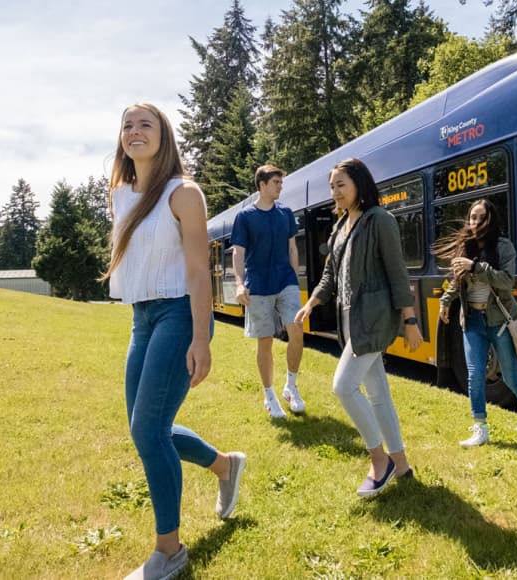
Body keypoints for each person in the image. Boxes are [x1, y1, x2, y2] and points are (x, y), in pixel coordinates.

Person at [103, 103, 246, 580]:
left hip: (177, 315)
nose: (134, 131)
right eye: (127, 125)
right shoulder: (120, 194)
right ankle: (225, 465)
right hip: (141, 318)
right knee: (146, 429)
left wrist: (202, 338)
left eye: (146, 124)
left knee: (148, 431)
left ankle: (169, 550)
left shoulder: (183, 194)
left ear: (164, 137)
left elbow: (197, 270)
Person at [294, 158, 422, 497]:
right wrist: (312, 303)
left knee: (343, 387)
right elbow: (329, 276)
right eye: (332, 186)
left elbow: (398, 274)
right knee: (378, 395)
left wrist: (409, 321)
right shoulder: (339, 227)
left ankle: (379, 460)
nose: (334, 192)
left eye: (341, 185)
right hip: (349, 320)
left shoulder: (380, 220)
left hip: (374, 320)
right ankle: (403, 465)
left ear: (359, 186)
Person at [435, 199, 517, 447]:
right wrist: (445, 301)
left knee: (510, 377)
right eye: (472, 217)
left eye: (480, 217)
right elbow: (456, 281)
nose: (474, 222)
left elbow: (506, 281)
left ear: (491, 219)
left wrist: (476, 266)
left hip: (499, 321)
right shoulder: (466, 246)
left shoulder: (504, 247)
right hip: (472, 321)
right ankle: (480, 427)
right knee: (475, 375)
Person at [231, 165, 306, 419]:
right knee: (266, 341)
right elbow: (238, 253)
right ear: (262, 185)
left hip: (285, 281)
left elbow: (292, 248)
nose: (280, 186)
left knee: (296, 330)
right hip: (258, 286)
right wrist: (240, 284)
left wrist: (294, 279)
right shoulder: (245, 216)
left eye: (280, 182)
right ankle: (269, 395)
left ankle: (291, 387)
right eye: (276, 182)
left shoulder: (285, 213)